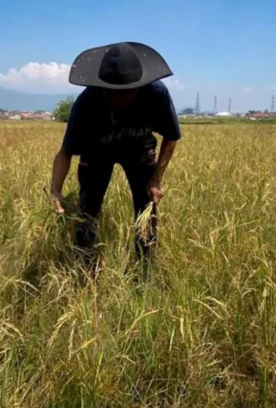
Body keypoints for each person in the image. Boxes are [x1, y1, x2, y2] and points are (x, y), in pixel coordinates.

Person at [50, 41, 182, 273]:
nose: (118, 100)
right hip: (97, 150)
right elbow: (66, 151)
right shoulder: (86, 102)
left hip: (139, 148)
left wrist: (156, 179)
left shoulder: (156, 93)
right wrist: (56, 191)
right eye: (112, 93)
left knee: (146, 209)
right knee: (87, 209)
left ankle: (145, 271)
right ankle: (84, 269)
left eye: (126, 93)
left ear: (139, 86)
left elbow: (171, 137)